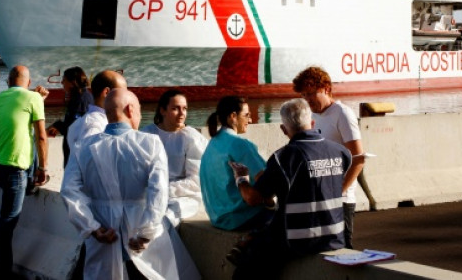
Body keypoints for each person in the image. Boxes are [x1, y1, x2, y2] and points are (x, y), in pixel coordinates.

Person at [61, 88, 198, 280]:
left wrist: (91, 227)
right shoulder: (150, 143)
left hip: (103, 234)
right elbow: (158, 192)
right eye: (140, 110)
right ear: (130, 110)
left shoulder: (83, 146)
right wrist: (147, 232)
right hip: (140, 234)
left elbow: (69, 190)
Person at [230, 98, 352, 279]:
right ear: (312, 123)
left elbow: (253, 198)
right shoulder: (340, 152)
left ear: (284, 129)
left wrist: (241, 179)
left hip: (298, 241)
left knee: (245, 270)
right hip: (334, 238)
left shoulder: (283, 158)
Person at [292, 66, 365, 248]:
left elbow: (358, 159)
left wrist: (339, 192)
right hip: (319, 198)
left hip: (341, 199)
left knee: (343, 250)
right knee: (323, 250)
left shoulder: (342, 114)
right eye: (304, 95)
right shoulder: (311, 116)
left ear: (326, 89)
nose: (308, 100)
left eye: (311, 93)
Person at [0, 65, 50, 274]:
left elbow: (14, 118)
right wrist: (43, 168)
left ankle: (30, 182)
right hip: (14, 168)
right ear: (29, 82)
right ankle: (2, 268)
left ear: (8, 81)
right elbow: (41, 137)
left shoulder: (0, 98)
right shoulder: (33, 98)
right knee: (8, 221)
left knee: (5, 216)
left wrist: (37, 100)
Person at [199, 96, 268, 230]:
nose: (250, 120)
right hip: (242, 218)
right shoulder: (239, 144)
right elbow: (266, 179)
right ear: (233, 116)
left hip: (217, 218)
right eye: (247, 115)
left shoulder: (211, 145)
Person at [141, 89, 208, 223]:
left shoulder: (192, 138)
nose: (182, 113)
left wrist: (163, 189)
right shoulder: (146, 134)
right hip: (150, 192)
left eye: (185, 109)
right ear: (163, 110)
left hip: (184, 197)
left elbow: (196, 180)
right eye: (175, 108)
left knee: (166, 217)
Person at [67, 70, 127, 156]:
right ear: (106, 92)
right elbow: (88, 158)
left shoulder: (87, 121)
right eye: (123, 92)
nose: (127, 97)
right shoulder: (94, 125)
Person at [49, 66, 94, 167]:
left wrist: (57, 126)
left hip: (76, 155)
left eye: (64, 80)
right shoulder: (82, 97)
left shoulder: (80, 100)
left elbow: (74, 128)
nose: (62, 83)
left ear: (72, 82)